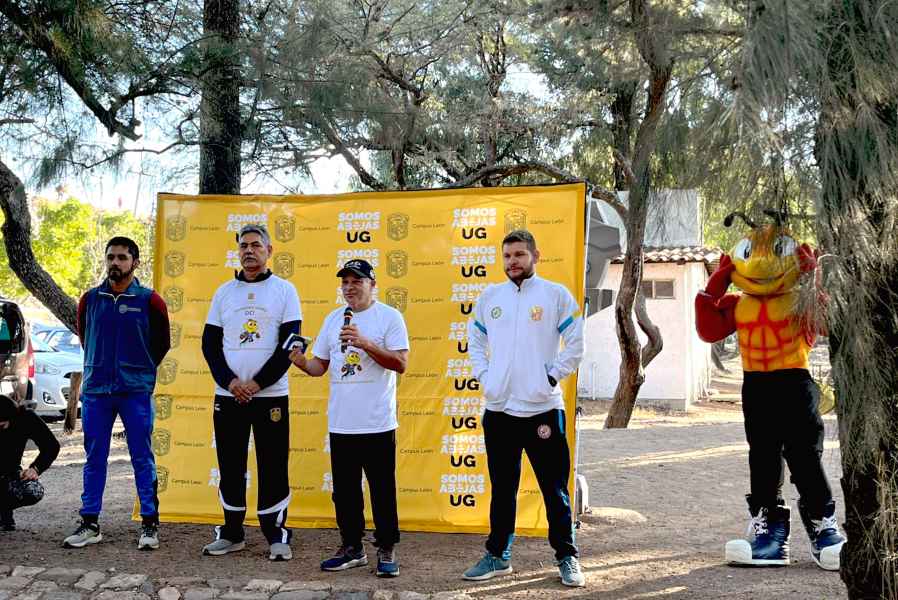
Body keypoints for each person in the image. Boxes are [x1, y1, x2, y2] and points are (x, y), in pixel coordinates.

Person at [695, 212, 846, 570]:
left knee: (805, 455)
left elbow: (828, 323)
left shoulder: (798, 301)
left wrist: (811, 276)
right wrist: (716, 282)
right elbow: (708, 329)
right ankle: (769, 532)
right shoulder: (739, 304)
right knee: (762, 457)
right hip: (756, 385)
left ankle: (823, 524)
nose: (761, 264)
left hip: (795, 381)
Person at [462, 229, 586, 588]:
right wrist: (486, 376)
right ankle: (498, 556)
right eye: (507, 256)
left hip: (542, 410)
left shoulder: (555, 295)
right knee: (503, 489)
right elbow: (475, 339)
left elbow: (576, 343)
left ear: (535, 256)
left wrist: (551, 376)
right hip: (500, 409)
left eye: (519, 254)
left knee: (554, 490)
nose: (512, 261)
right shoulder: (491, 296)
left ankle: (567, 556)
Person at [290, 258, 409, 578]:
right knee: (344, 493)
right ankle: (352, 547)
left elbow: (400, 364)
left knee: (382, 490)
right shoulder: (333, 319)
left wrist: (365, 343)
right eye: (345, 282)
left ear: (373, 285)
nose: (350, 287)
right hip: (342, 423)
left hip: (377, 422)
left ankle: (386, 548)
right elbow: (319, 367)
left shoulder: (389, 317)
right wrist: (300, 362)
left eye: (357, 281)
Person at [201, 223, 301, 561]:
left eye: (256, 245)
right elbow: (210, 345)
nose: (249, 250)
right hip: (228, 396)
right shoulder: (224, 292)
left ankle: (276, 535)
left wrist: (257, 384)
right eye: (243, 245)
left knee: (273, 464)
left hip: (270, 396)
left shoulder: (285, 291)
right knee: (230, 464)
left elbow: (290, 344)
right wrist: (231, 383)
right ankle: (232, 533)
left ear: (269, 251)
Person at [64, 236, 170, 550]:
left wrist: (139, 371)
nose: (115, 263)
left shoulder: (150, 300)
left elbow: (162, 344)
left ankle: (150, 524)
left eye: (122, 257)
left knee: (142, 457)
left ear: (135, 262)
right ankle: (90, 523)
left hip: (135, 390)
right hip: (97, 390)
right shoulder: (90, 299)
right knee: (94, 458)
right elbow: (86, 337)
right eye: (111, 257)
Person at [0, 396, 60, 531]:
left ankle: (5, 513)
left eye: (2, 426)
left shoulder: (26, 418)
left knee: (33, 490)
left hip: (10, 473)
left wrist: (35, 469)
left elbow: (51, 446)